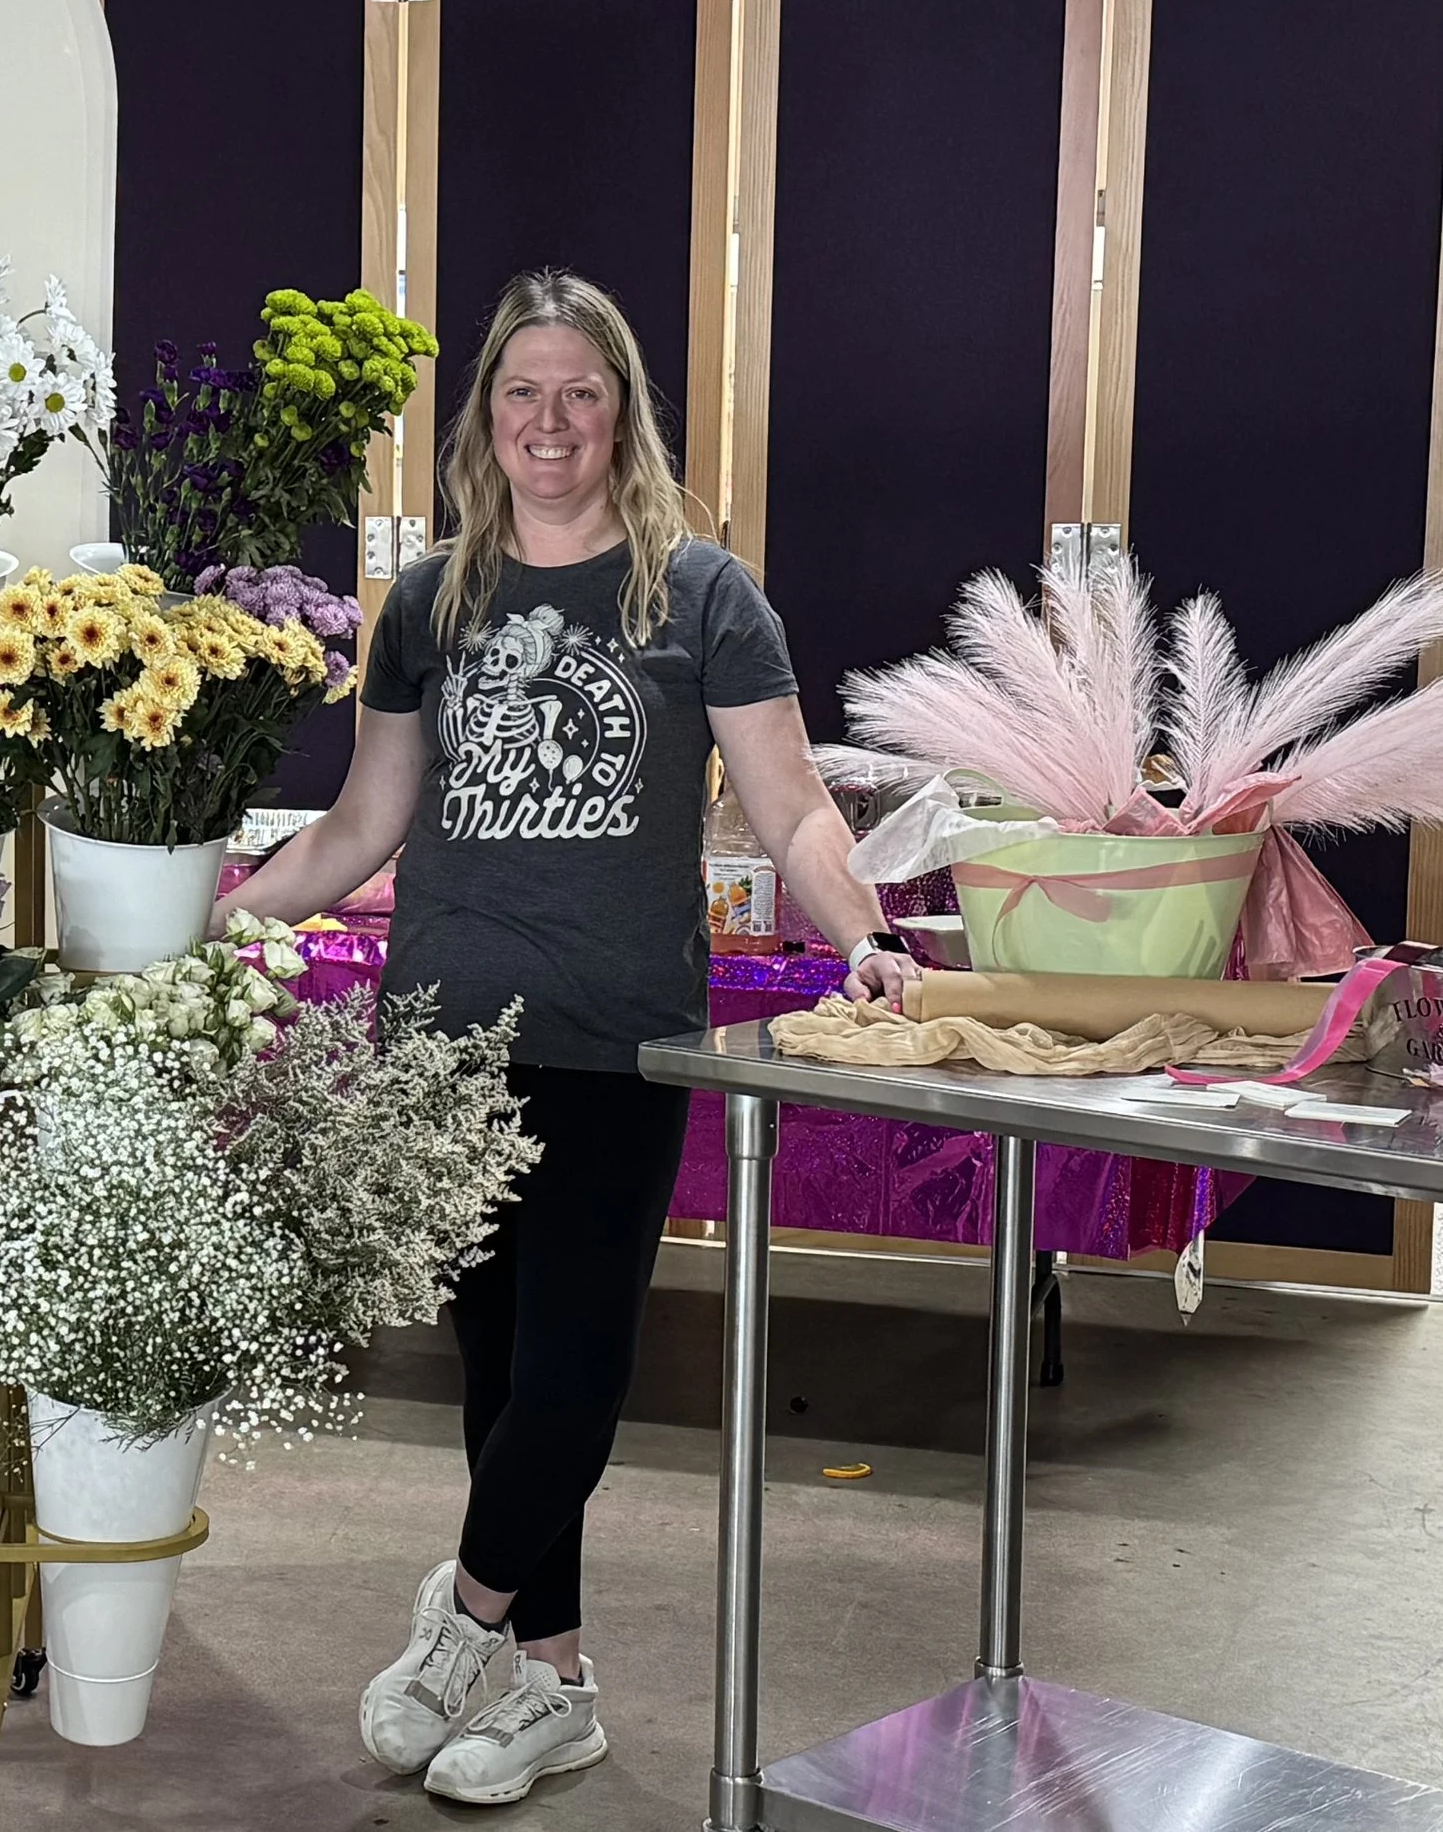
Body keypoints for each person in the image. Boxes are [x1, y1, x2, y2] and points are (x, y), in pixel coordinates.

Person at [221, 269, 917, 1806]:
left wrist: (862, 931)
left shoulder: (702, 595)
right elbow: (363, 822)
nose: (550, 420)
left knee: (578, 1367)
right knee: (497, 1369)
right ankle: (555, 1679)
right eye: (522, 391)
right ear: (486, 415)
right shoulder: (430, 601)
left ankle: (461, 1619)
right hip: (447, 1035)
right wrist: (217, 925)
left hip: (617, 1034)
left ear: (622, 415)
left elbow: (791, 803)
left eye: (579, 393)